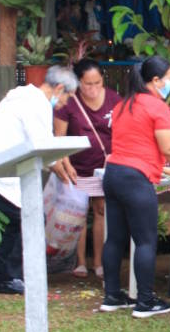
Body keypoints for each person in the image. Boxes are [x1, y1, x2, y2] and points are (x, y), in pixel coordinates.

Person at [100, 56, 170, 317]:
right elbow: (169, 148)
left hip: (113, 174)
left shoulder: (122, 105)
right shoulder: (156, 106)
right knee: (146, 240)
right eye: (169, 79)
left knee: (115, 238)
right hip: (136, 179)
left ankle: (112, 296)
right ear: (155, 80)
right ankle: (146, 302)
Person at [0, 65, 79, 295]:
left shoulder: (29, 98)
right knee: (28, 215)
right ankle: (8, 277)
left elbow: (47, 146)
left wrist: (62, 163)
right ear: (58, 88)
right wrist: (63, 173)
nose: (66, 104)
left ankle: (6, 275)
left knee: (23, 217)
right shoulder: (35, 104)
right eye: (68, 97)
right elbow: (42, 147)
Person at [52, 58, 121, 279]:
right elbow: (58, 138)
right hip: (77, 167)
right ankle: (80, 263)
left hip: (104, 167)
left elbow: (122, 132)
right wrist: (66, 164)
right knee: (79, 214)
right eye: (87, 84)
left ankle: (99, 263)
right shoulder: (68, 102)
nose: (93, 89)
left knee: (101, 211)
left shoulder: (114, 99)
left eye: (97, 83)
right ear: (78, 82)